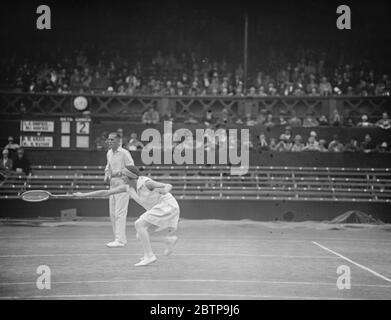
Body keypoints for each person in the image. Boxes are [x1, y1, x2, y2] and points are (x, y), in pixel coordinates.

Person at [74, 165, 180, 267]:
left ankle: (149, 256)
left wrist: (165, 190)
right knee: (140, 234)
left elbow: (168, 185)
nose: (121, 177)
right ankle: (168, 240)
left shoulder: (146, 183)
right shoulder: (127, 187)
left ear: (131, 176)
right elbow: (106, 192)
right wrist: (83, 194)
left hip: (167, 206)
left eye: (123, 175)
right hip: (159, 208)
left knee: (139, 224)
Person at [104, 132, 135, 248]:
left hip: (122, 185)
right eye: (108, 139)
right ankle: (117, 238)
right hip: (112, 185)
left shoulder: (124, 153)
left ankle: (120, 240)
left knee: (119, 213)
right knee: (112, 213)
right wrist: (106, 174)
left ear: (118, 141)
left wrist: (118, 173)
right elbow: (108, 167)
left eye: (112, 140)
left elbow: (131, 168)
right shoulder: (109, 153)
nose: (109, 141)